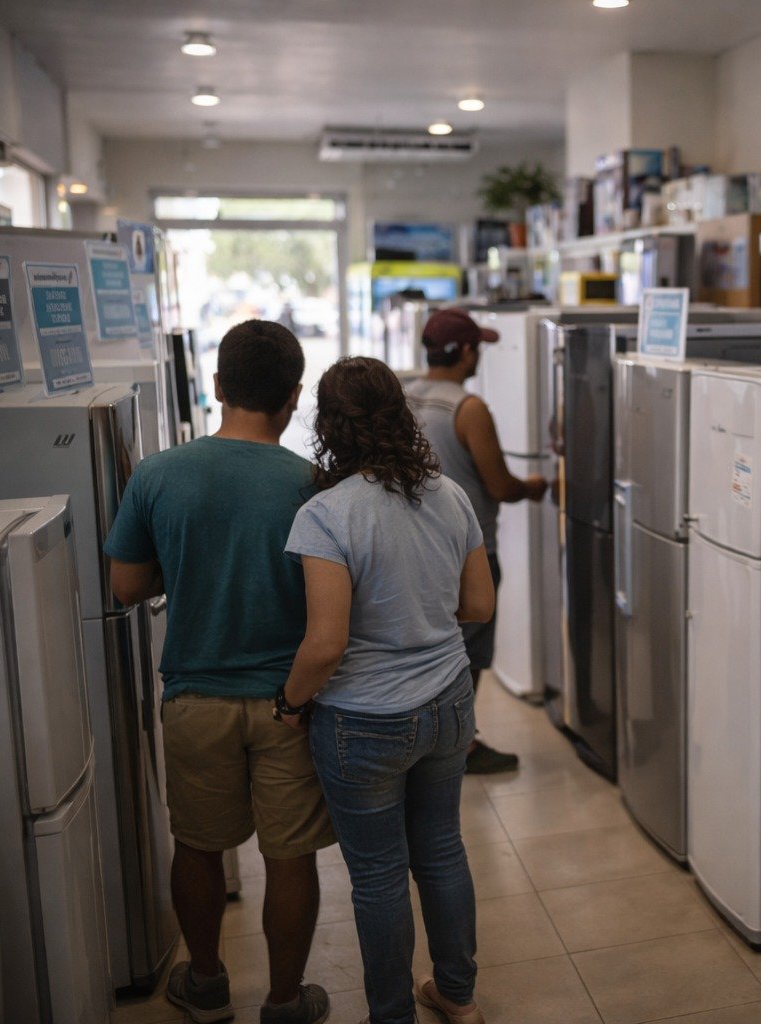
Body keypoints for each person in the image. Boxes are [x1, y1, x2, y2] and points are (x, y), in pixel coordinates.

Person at [106, 320, 336, 1024]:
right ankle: (285, 1000)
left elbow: (124, 587)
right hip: (289, 703)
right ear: (294, 398)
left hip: (194, 698)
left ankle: (205, 983)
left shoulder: (157, 474)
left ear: (216, 387)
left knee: (199, 847)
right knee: (291, 854)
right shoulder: (313, 487)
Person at [277, 356, 495, 1024]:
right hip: (449, 702)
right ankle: (456, 994)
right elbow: (479, 606)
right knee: (442, 850)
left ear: (329, 428)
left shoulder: (325, 515)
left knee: (377, 875)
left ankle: (393, 1014)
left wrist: (289, 702)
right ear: (400, 414)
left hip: (363, 720)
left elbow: (325, 644)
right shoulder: (447, 493)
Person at [404, 308, 548, 774]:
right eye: (478, 347)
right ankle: (459, 746)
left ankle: (432, 740)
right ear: (466, 352)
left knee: (433, 650)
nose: (480, 356)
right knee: (467, 654)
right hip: (468, 555)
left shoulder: (405, 400)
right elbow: (501, 486)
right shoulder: (469, 409)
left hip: (415, 550)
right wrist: (536, 486)